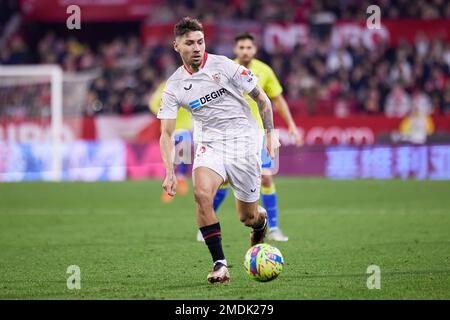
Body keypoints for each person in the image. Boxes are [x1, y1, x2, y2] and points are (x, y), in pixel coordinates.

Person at [158, 17, 280, 284]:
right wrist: (169, 172)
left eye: (200, 42)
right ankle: (220, 265)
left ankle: (260, 221)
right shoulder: (174, 86)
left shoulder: (225, 66)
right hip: (209, 145)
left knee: (247, 217)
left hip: (243, 144)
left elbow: (262, 98)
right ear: (176, 45)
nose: (197, 47)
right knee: (202, 194)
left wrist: (270, 135)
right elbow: (166, 134)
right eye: (189, 43)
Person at [197, 32, 302, 242]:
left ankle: (273, 227)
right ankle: (206, 224)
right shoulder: (225, 69)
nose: (245, 51)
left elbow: (277, 100)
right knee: (223, 181)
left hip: (259, 133)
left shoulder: (265, 71)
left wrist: (290, 124)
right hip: (231, 134)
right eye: (241, 48)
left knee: (266, 176)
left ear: (255, 50)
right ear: (236, 50)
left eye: (249, 47)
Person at [149, 81, 192, 202]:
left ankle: (181, 178)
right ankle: (169, 185)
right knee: (171, 159)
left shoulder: (190, 85)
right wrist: (165, 113)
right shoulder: (164, 87)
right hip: (168, 129)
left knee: (184, 152)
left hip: (184, 127)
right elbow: (152, 104)